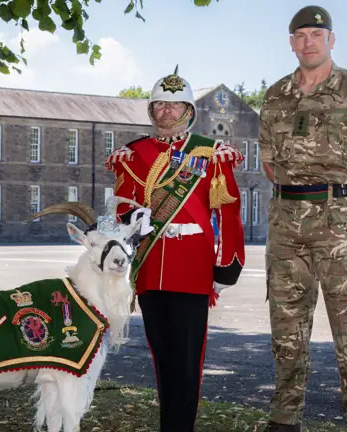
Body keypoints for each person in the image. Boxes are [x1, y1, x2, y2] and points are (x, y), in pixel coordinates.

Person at [258, 6, 347, 432]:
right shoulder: (275, 96)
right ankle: (285, 418)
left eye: (316, 35)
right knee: (286, 328)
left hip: (342, 225)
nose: (308, 42)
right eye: (300, 35)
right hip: (286, 224)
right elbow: (269, 163)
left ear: (331, 40)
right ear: (291, 42)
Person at [105, 66, 246, 431]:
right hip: (151, 269)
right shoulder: (133, 154)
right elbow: (122, 206)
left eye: (175, 105)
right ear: (152, 111)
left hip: (192, 269)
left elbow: (228, 210)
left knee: (187, 363)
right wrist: (137, 215)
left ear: (188, 111)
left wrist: (227, 264)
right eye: (160, 106)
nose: (167, 112)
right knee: (162, 358)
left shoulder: (211, 153)